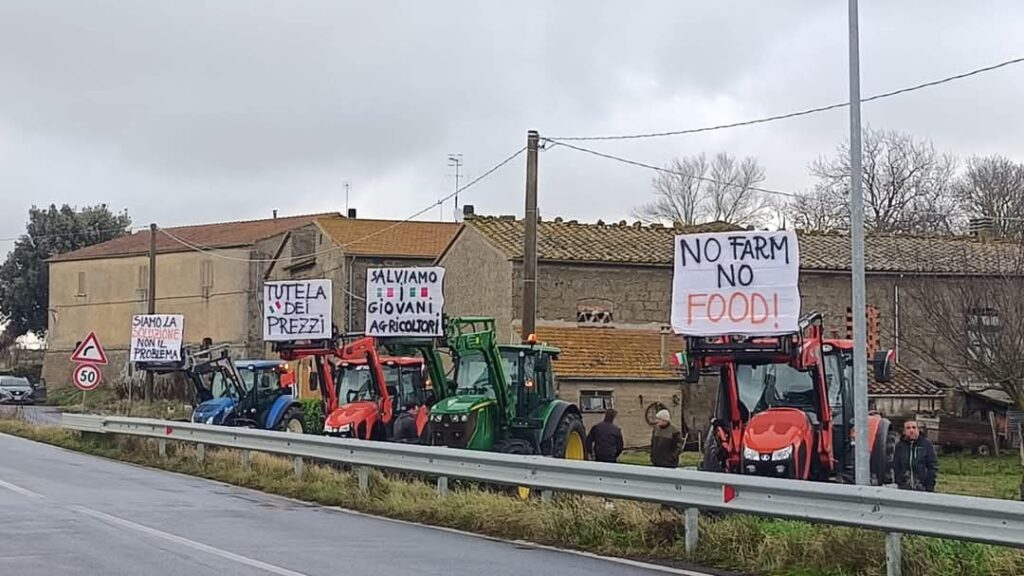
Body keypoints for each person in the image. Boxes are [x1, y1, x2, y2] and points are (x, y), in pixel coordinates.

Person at [892, 419, 938, 492]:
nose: (911, 430)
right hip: (904, 488)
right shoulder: (899, 446)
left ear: (918, 430)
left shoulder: (926, 445)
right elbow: (896, 466)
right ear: (904, 431)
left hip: (923, 487)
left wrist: (929, 485)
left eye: (914, 427)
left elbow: (932, 466)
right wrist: (899, 482)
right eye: (908, 428)